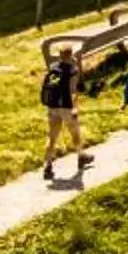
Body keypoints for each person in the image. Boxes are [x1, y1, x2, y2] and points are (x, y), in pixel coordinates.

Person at [39, 46, 90, 179]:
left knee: (52, 137)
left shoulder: (54, 69)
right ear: (70, 54)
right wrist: (74, 107)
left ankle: (48, 166)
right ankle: (81, 156)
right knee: (75, 134)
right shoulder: (72, 70)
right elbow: (72, 91)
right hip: (66, 107)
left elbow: (51, 87)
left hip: (52, 107)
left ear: (60, 55)